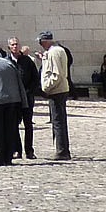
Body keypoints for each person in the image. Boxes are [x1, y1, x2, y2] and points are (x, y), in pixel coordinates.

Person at [38, 30, 73, 159]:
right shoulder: (58, 50)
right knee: (60, 121)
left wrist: (46, 87)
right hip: (61, 89)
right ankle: (63, 149)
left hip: (56, 90)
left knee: (57, 122)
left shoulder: (53, 52)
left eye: (41, 42)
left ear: (45, 41)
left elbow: (56, 74)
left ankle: (62, 151)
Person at [8, 39, 41, 158]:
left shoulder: (27, 61)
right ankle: (17, 149)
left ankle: (29, 150)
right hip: (13, 99)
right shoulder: (7, 61)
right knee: (14, 125)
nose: (15, 46)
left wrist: (29, 92)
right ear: (9, 47)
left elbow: (35, 79)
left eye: (17, 44)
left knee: (28, 124)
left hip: (27, 98)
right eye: (12, 44)